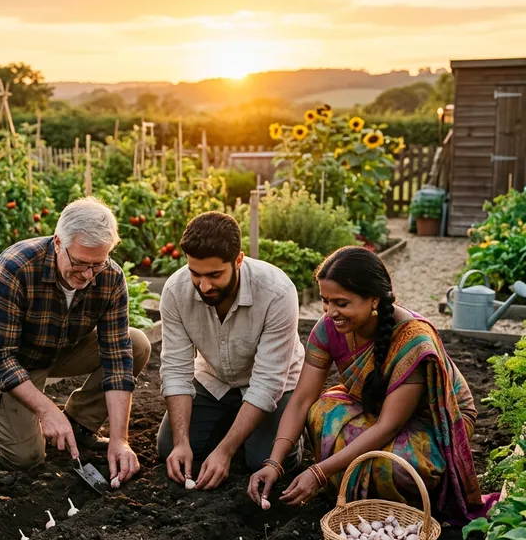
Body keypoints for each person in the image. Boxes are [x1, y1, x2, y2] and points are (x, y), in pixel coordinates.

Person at [248, 245, 483, 522]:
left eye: (342, 303)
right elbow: (301, 400)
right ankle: (355, 492)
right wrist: (274, 462)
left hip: (433, 421)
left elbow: (389, 425)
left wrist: (319, 472)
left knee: (394, 467)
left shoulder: (412, 340)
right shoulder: (327, 329)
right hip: (374, 405)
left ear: (374, 300)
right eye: (326, 301)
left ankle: (400, 510)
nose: (330, 312)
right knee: (321, 413)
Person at [0, 196, 151, 484]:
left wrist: (120, 439)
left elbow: (117, 359)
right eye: (79, 263)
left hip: (60, 348)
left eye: (97, 265)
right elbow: (0, 357)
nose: (88, 275)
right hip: (3, 357)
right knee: (24, 459)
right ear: (57, 243)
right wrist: (48, 411)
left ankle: (78, 424)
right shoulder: (16, 267)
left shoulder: (110, 277)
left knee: (136, 344)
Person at [157, 211, 305, 490]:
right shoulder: (176, 291)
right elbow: (176, 368)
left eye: (215, 275)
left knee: (261, 460)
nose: (204, 285)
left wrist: (225, 452)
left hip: (276, 385)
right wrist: (181, 442)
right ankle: (230, 426)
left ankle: (291, 430)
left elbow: (267, 382)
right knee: (169, 450)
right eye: (195, 274)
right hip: (215, 380)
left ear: (238, 259)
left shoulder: (277, 292)